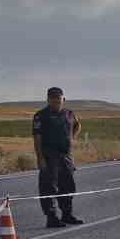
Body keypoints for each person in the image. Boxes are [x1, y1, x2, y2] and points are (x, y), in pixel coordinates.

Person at [32, 87, 84, 228]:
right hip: (49, 156)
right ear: (48, 100)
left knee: (68, 186)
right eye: (53, 99)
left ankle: (67, 214)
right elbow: (37, 138)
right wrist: (40, 158)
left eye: (58, 99)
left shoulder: (69, 114)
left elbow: (78, 125)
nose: (56, 102)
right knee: (49, 188)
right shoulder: (40, 116)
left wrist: (72, 137)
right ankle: (52, 217)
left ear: (63, 99)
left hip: (66, 156)